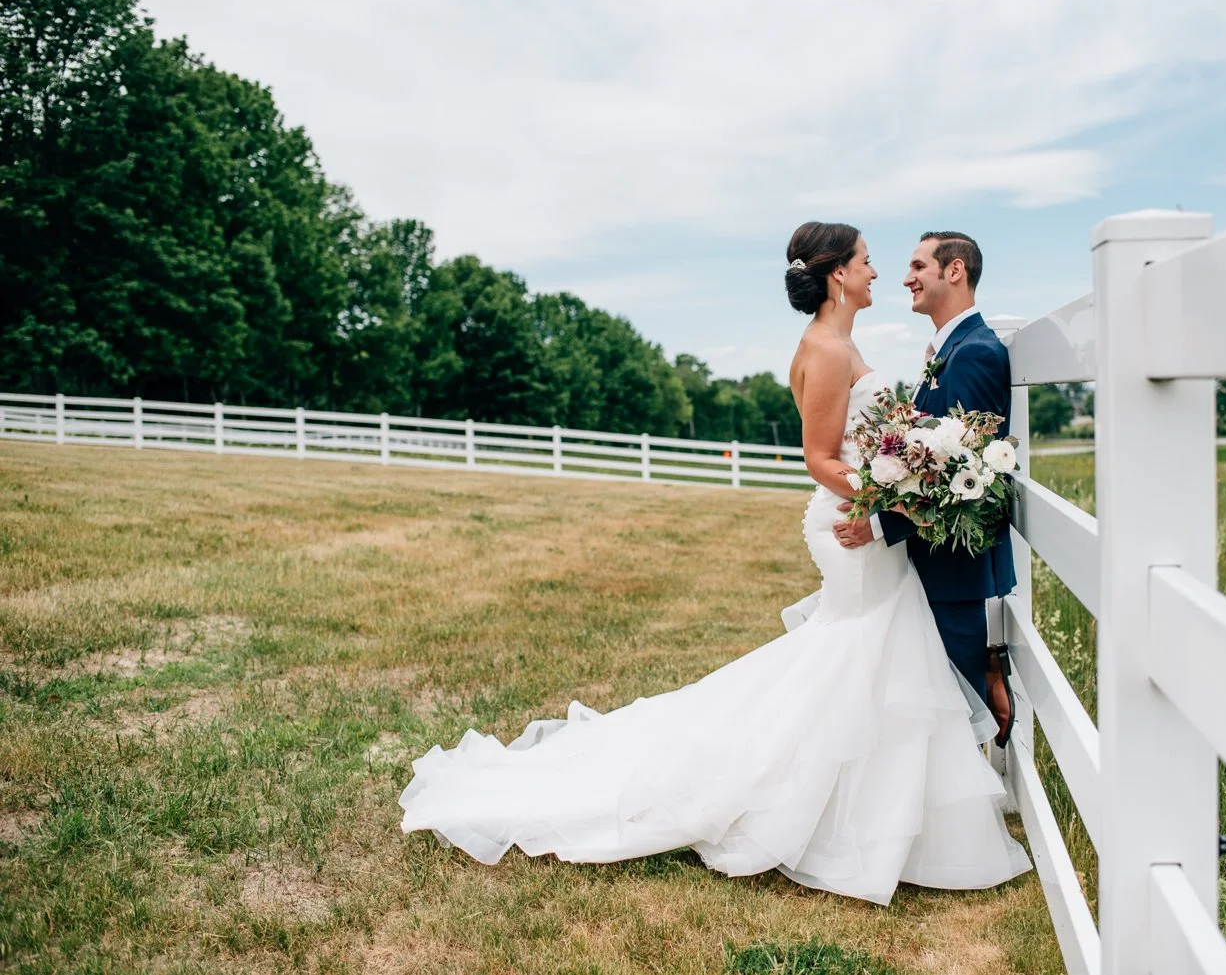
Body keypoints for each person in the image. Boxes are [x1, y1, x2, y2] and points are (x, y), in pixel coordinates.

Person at [398, 222, 1031, 906]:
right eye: (868, 261)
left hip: (868, 527)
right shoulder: (824, 348)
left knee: (866, 663)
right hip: (850, 527)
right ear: (838, 274)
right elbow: (820, 457)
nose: (878, 272)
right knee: (855, 660)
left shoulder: (844, 342)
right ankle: (815, 806)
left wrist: (896, 486)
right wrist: (887, 500)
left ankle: (874, 811)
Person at [832, 231, 1018, 747]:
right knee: (933, 709)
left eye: (918, 266)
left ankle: (987, 681)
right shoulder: (950, 350)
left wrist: (877, 526)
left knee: (954, 720)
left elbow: (962, 478)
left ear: (954, 270)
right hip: (935, 562)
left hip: (953, 568)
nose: (906, 278)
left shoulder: (975, 352)